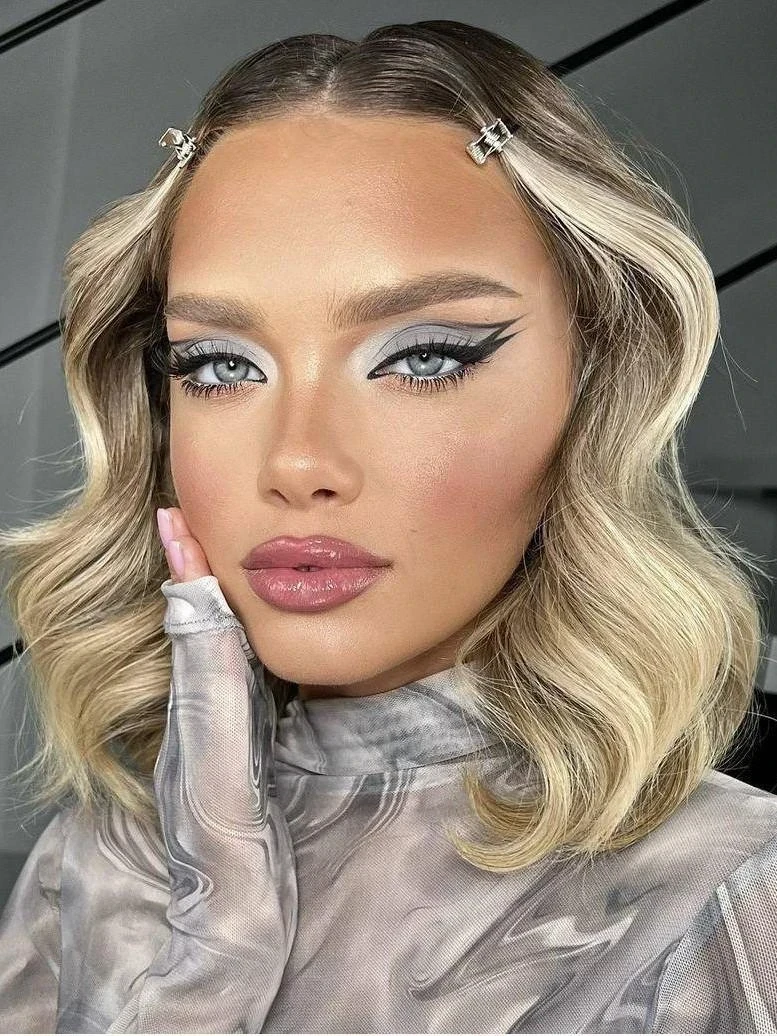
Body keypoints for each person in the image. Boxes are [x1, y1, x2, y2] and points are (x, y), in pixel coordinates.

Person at [0, 18, 776, 1034]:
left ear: (594, 385)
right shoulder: (102, 854)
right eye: (221, 365)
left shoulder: (721, 892)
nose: (298, 464)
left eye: (423, 358)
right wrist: (212, 960)